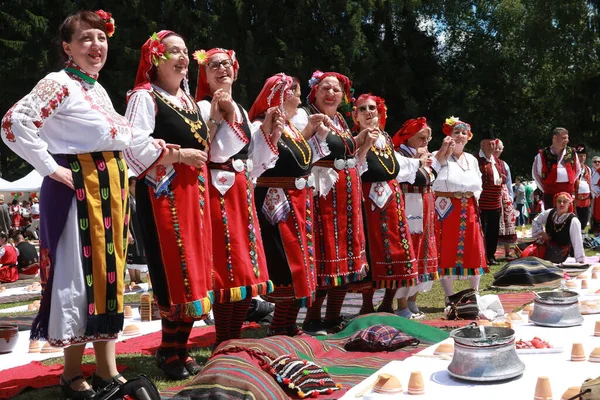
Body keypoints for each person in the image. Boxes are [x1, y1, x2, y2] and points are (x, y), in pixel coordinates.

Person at [1, 10, 131, 399]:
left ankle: (107, 369)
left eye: (102, 38)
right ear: (68, 47)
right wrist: (51, 169)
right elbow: (14, 123)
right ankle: (72, 373)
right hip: (80, 193)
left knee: (109, 279)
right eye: (87, 38)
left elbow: (116, 140)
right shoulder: (59, 83)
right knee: (79, 279)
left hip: (110, 192)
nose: (97, 46)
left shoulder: (96, 89)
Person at [125, 30, 217, 379]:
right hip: (164, 193)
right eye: (172, 52)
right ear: (155, 59)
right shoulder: (144, 97)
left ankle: (180, 348)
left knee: (194, 269)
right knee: (174, 269)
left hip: (194, 194)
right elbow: (133, 147)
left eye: (184, 52)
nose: (182, 57)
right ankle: (167, 350)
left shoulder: (189, 101)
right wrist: (178, 155)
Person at [194, 48, 274, 347]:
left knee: (244, 266)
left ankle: (233, 336)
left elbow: (253, 159)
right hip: (217, 191)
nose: (220, 69)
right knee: (226, 265)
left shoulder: (240, 108)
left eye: (225, 64)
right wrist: (220, 115)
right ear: (205, 75)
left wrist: (269, 134)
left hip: (241, 189)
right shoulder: (201, 107)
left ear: (235, 70)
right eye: (213, 66)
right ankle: (223, 338)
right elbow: (210, 150)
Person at [248, 73, 330, 336]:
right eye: (295, 93)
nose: (298, 98)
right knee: (285, 263)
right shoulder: (261, 125)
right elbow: (261, 161)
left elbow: (301, 160)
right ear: (283, 96)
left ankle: (287, 323)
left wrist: (313, 135)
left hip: (298, 201)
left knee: (301, 262)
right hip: (276, 203)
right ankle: (278, 324)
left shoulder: (293, 128)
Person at [292, 70, 368, 335]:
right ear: (315, 91)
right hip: (321, 195)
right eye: (325, 88)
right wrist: (311, 130)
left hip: (346, 196)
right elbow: (296, 147)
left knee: (345, 258)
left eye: (336, 90)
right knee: (324, 255)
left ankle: (333, 316)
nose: (331, 93)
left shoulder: (342, 121)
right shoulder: (306, 114)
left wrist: (363, 141)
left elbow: (349, 153)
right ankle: (312, 318)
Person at [393, 117, 444, 318]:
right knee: (410, 250)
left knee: (424, 250)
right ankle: (402, 303)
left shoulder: (425, 155)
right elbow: (407, 176)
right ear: (408, 138)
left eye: (427, 139)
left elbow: (432, 177)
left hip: (425, 207)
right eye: (421, 138)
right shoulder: (399, 155)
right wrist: (418, 162)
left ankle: (413, 299)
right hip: (408, 205)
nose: (425, 142)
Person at [432, 117, 488, 301]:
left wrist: (472, 199)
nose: (460, 136)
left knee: (473, 246)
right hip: (446, 208)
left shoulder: (471, 159)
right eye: (456, 132)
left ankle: (475, 292)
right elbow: (431, 180)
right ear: (449, 135)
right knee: (447, 248)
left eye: (464, 133)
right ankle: (449, 295)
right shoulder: (438, 155)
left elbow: (478, 184)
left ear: (468, 137)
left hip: (469, 207)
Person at [519, 192, 584, 263]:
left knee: (531, 258)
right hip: (546, 246)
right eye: (559, 201)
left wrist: (580, 260)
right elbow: (535, 221)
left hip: (559, 253)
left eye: (564, 202)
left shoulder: (573, 220)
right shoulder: (550, 213)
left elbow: (577, 241)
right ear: (555, 203)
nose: (561, 204)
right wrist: (542, 233)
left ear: (569, 204)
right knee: (524, 250)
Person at [532, 127, 580, 209]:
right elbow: (536, 174)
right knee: (551, 218)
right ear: (555, 138)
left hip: (568, 193)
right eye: (564, 138)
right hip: (550, 194)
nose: (567, 140)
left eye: (567, 138)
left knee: (568, 218)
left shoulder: (572, 153)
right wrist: (545, 189)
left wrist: (570, 183)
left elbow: (577, 170)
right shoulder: (543, 154)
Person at [477, 130, 506, 265]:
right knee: (482, 231)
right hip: (482, 203)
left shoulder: (498, 161)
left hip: (495, 203)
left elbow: (503, 177)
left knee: (493, 232)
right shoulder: (477, 160)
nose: (492, 146)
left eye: (493, 144)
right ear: (482, 144)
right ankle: (481, 257)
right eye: (489, 144)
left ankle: (491, 256)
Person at [495, 142, 518, 259]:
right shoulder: (486, 163)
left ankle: (508, 252)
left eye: (499, 149)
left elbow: (509, 183)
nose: (497, 150)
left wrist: (510, 198)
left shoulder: (504, 165)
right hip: (492, 196)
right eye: (495, 148)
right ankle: (490, 252)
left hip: (504, 196)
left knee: (508, 222)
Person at [124, 175, 147, 284]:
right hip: (131, 229)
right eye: (134, 185)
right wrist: (128, 231)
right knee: (131, 252)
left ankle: (138, 277)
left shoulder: (137, 198)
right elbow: (125, 216)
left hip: (138, 229)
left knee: (139, 252)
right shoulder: (127, 198)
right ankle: (132, 279)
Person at [573, 144, 592, 232]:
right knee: (575, 216)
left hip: (586, 197)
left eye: (583, 156)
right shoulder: (573, 168)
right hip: (575, 196)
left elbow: (590, 182)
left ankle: (582, 233)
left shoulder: (587, 169)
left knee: (585, 216)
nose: (582, 158)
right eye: (580, 156)